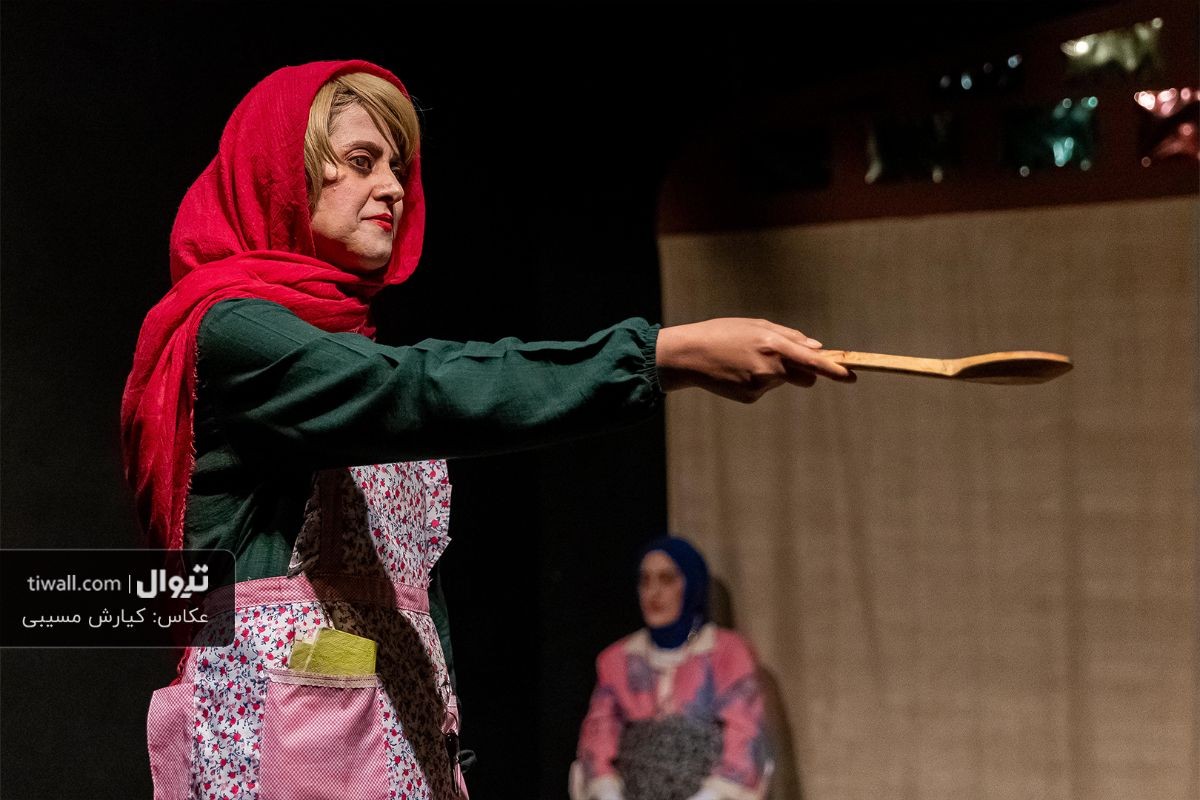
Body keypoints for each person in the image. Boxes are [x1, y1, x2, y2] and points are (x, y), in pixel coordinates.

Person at [123, 60, 851, 800]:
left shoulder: (343, 354)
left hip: (389, 749)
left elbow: (407, 597)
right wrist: (661, 354)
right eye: (363, 162)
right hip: (284, 753)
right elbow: (413, 389)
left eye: (399, 168)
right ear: (282, 175)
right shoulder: (235, 333)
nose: (395, 188)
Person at [572, 537, 770, 800]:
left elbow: (744, 730)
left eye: (666, 580)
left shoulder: (727, 652)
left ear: (691, 585)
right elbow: (599, 732)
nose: (653, 593)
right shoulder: (617, 659)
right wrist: (608, 790)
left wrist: (710, 795)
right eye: (645, 581)